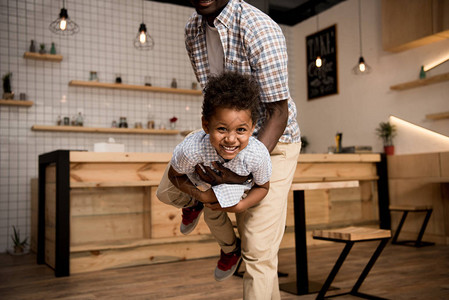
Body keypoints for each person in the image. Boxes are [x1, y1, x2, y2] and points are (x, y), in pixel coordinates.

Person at [160, 0, 301, 299]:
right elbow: (214, 103)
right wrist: (202, 188)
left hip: (272, 142)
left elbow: (278, 111)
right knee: (169, 190)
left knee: (258, 251)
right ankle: (213, 224)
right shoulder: (192, 31)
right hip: (227, 140)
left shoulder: (259, 28)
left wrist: (238, 172)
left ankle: (234, 243)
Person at [158, 71, 272, 281]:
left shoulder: (256, 154)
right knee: (163, 194)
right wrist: (198, 196)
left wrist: (240, 206)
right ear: (206, 125)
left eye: (241, 129)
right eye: (221, 129)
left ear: (253, 128)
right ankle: (192, 205)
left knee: (213, 212)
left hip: (235, 180)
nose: (231, 139)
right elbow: (175, 175)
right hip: (196, 174)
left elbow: (263, 187)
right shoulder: (192, 149)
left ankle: (230, 250)